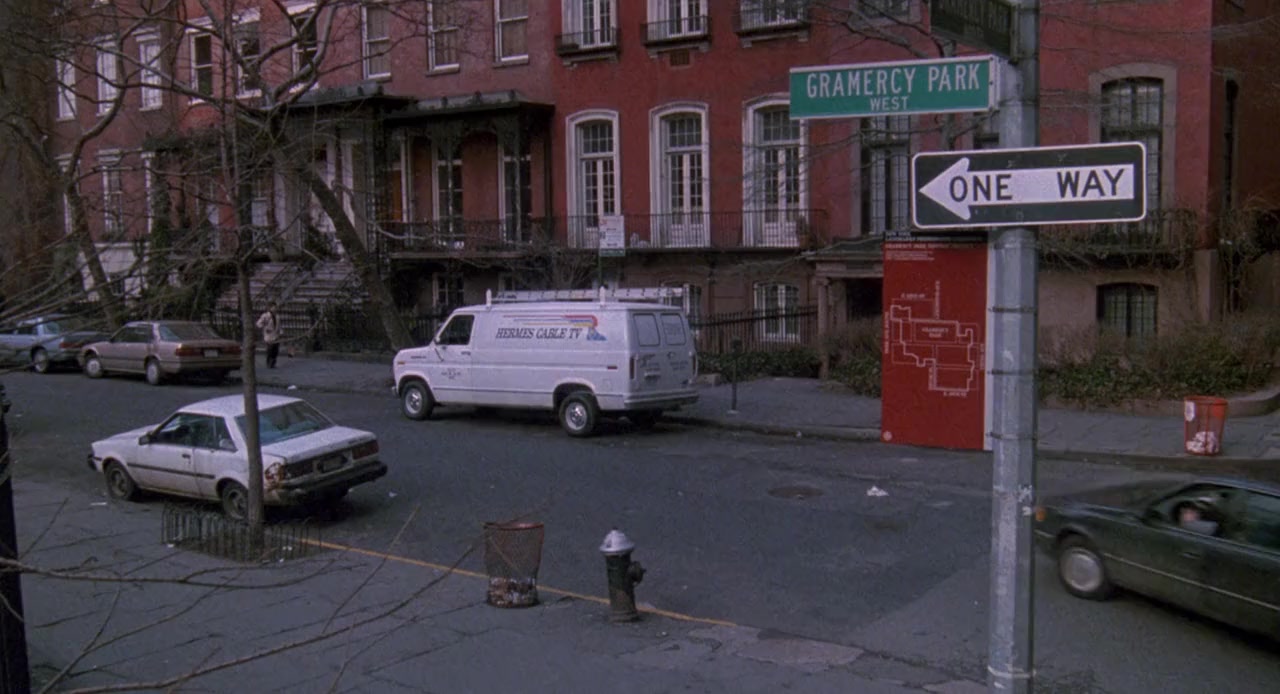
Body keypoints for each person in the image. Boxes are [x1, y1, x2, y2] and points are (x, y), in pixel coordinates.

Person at [256, 303, 282, 368]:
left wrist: (280, 332)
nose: (275, 309)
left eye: (275, 307)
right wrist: (264, 328)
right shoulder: (265, 316)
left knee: (275, 350)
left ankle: (273, 362)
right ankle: (269, 363)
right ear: (270, 308)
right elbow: (258, 323)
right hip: (269, 335)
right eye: (273, 307)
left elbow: (279, 326)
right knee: (270, 349)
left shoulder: (277, 316)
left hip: (276, 335)